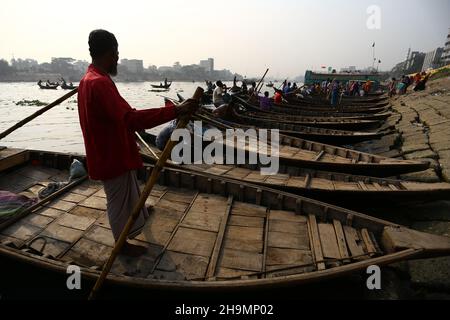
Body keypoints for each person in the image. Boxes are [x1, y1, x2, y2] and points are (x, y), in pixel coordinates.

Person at [77, 29, 198, 257]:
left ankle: (139, 213)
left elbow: (117, 117)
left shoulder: (88, 79)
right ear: (112, 53)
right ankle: (121, 245)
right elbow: (130, 118)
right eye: (117, 54)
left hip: (107, 150)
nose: (118, 60)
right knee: (117, 199)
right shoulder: (99, 83)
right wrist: (176, 110)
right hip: (110, 155)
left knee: (128, 191)